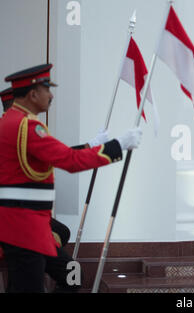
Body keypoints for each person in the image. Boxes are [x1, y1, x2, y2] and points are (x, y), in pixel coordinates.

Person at [0, 64, 142, 293]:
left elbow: (52, 155)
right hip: (25, 230)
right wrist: (118, 145)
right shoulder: (27, 126)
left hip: (29, 228)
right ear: (33, 93)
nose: (51, 94)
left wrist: (94, 145)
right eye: (47, 88)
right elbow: (70, 161)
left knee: (72, 274)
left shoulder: (12, 123)